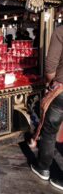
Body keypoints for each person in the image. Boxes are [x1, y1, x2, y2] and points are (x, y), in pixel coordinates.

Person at [30, 25, 63, 191]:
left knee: (49, 130)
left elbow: (50, 65)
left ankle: (43, 167)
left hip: (61, 90)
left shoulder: (60, 31)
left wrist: (50, 82)